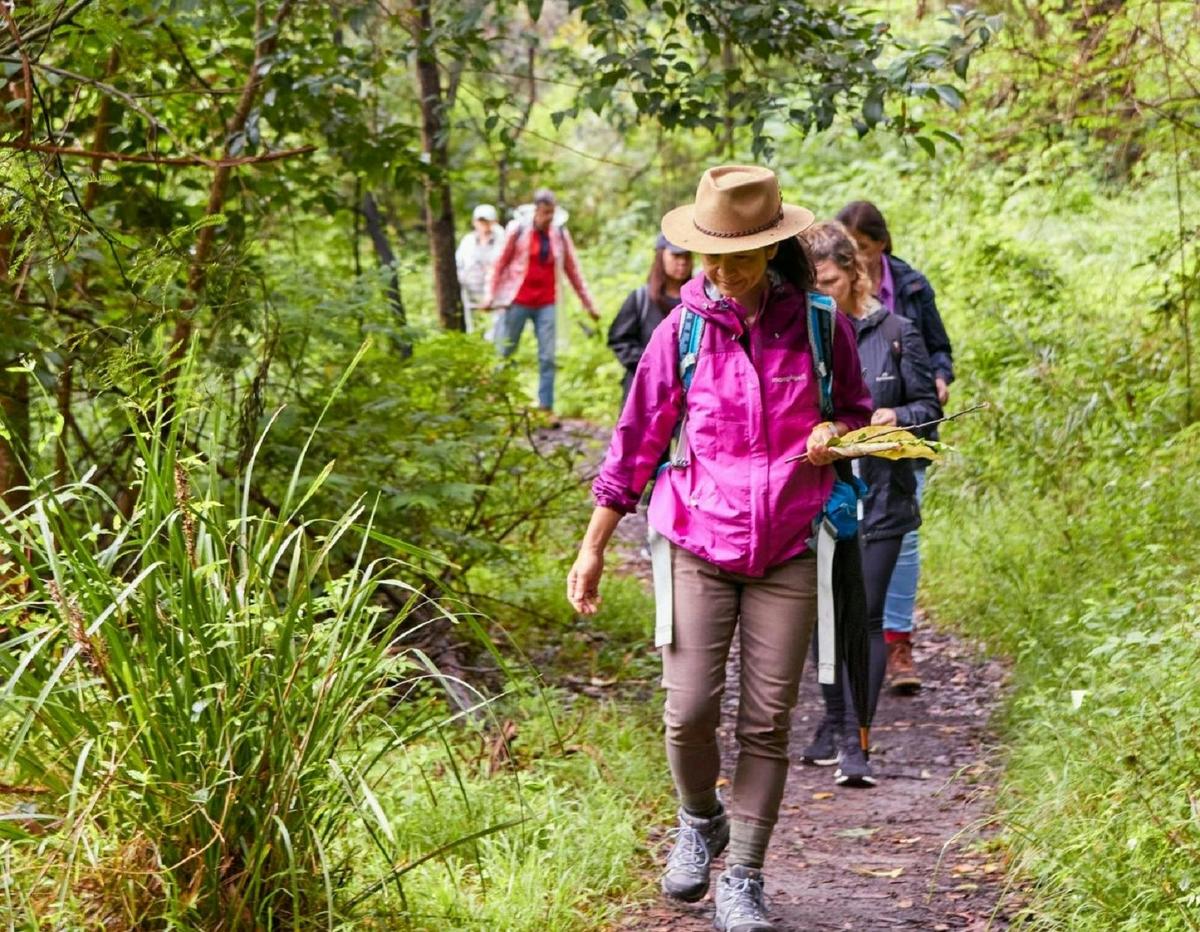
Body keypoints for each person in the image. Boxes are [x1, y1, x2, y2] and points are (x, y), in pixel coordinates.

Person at [568, 166, 872, 932]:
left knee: (769, 721)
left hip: (792, 543)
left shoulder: (818, 322)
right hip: (697, 539)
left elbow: (855, 412)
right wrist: (594, 547)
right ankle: (699, 818)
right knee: (690, 710)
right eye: (710, 256)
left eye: (739, 256)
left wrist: (833, 435)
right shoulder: (683, 329)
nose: (722, 271)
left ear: (773, 251)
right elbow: (634, 442)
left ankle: (743, 876)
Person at [800, 220, 941, 787]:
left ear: (854, 273)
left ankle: (858, 740)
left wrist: (896, 417)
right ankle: (832, 723)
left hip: (884, 498)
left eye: (830, 281)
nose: (822, 292)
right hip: (820, 500)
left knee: (867, 617)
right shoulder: (802, 336)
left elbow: (927, 407)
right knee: (823, 618)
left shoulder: (897, 332)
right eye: (814, 283)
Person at [836, 200, 954, 693]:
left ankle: (896, 639)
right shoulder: (825, 296)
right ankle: (844, 645)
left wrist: (937, 380)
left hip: (903, 436)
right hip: (848, 441)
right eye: (848, 250)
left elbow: (937, 346)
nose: (856, 259)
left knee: (901, 536)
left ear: (881, 245)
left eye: (862, 249)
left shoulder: (909, 287)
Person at [482, 188, 600, 416]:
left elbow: (573, 270)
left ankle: (545, 408)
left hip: (547, 302)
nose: (549, 218)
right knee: (505, 351)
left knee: (547, 356)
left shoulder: (559, 233)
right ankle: (496, 402)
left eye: (552, 213)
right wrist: (490, 295)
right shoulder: (518, 230)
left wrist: (588, 304)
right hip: (517, 300)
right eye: (545, 212)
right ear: (536, 210)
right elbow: (499, 264)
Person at [607, 233, 693, 404]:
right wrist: (653, 364)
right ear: (661, 256)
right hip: (644, 392)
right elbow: (619, 340)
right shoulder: (641, 299)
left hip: (686, 395)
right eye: (676, 255)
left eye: (687, 256)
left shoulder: (698, 301)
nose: (682, 262)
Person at [455, 203, 503, 337]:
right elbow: (458, 263)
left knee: (496, 329)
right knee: (473, 328)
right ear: (474, 222)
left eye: (487, 221)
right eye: (480, 221)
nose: (484, 225)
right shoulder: (468, 241)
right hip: (471, 292)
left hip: (495, 293)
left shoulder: (502, 239)